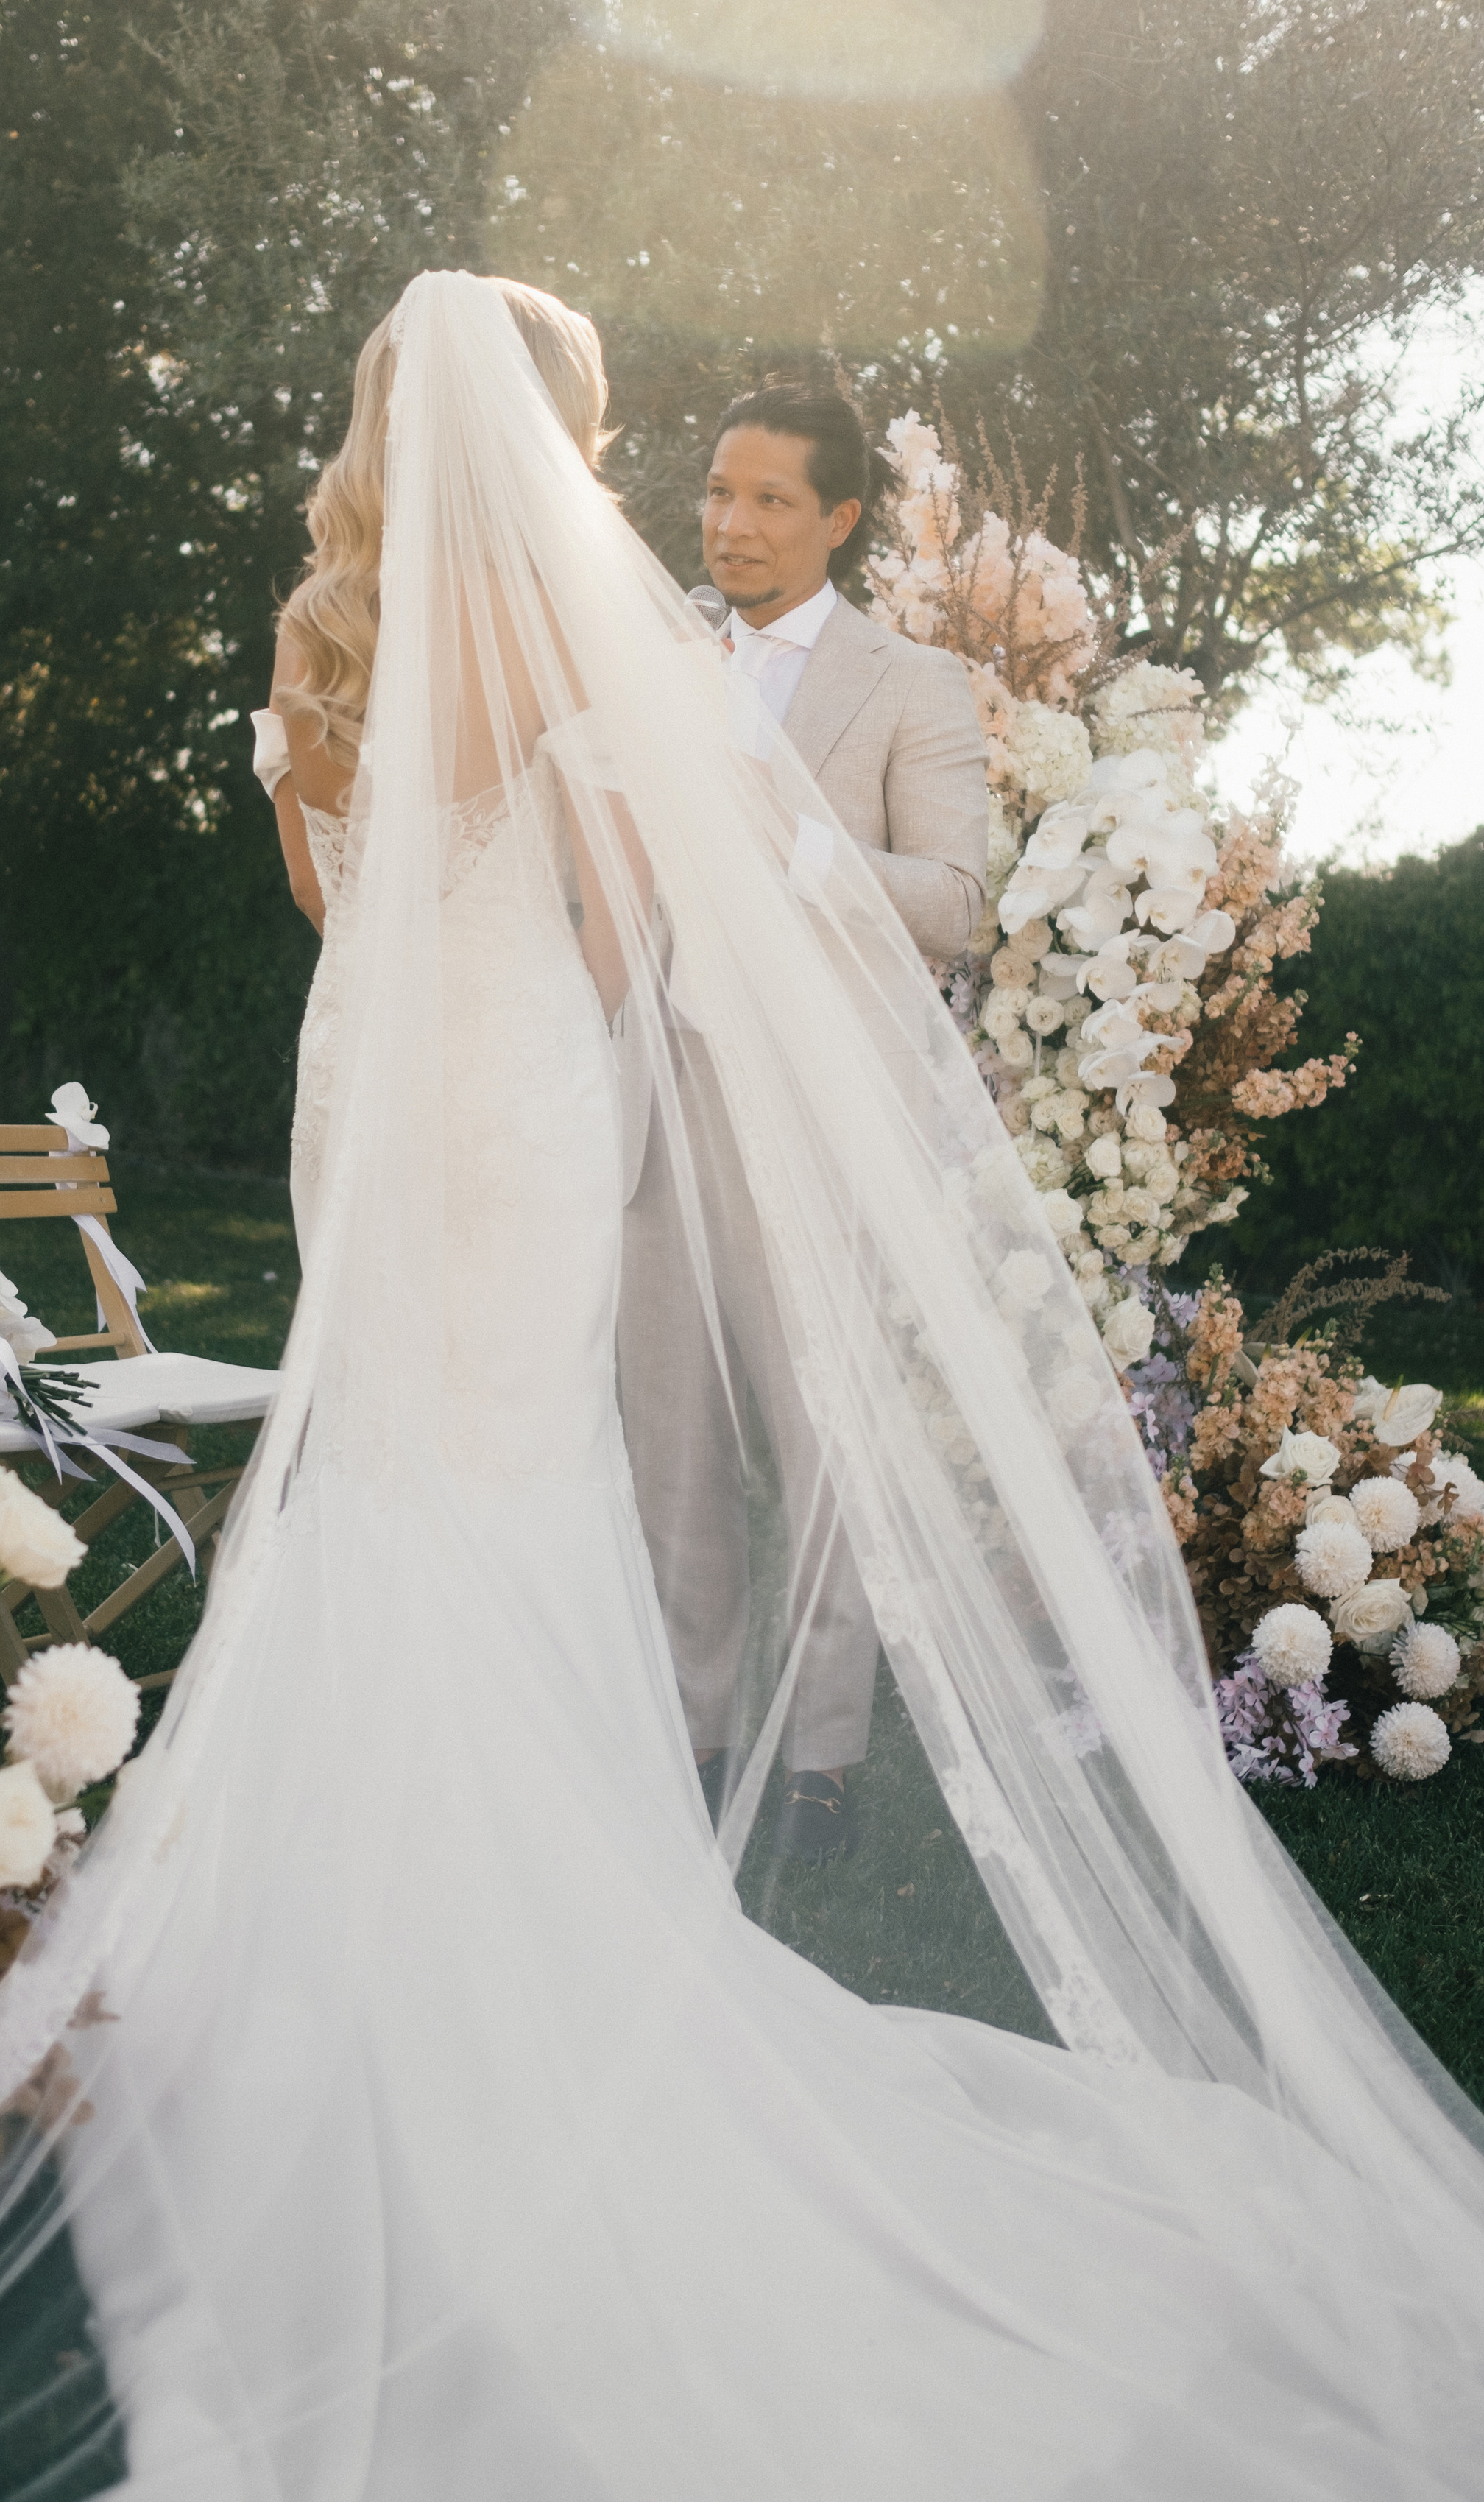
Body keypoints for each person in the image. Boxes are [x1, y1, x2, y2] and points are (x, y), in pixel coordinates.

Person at [0, 271, 1484, 2502]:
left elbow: (341, 913)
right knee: (514, 1491)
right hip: (513, 1112)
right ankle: (533, 1976)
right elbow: (625, 936)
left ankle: (346, 1975)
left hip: (377, 1118)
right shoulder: (567, 643)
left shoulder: (329, 642)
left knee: (389, 1495)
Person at [618, 383, 986, 1864]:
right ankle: (694, 1731)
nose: (731, 522)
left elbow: (956, 907)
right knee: (670, 1436)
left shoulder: (912, 685)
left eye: (770, 499)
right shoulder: (642, 665)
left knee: (828, 1437)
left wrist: (794, 840)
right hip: (661, 1094)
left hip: (820, 1107)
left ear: (838, 520)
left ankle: (820, 1756)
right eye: (718, 491)